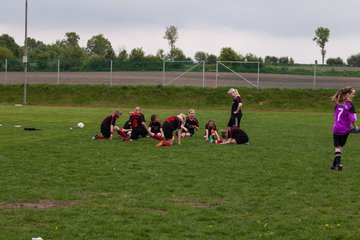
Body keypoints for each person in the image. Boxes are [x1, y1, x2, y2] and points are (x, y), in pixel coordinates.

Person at [330, 86, 358, 170]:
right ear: (347, 94)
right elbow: (352, 118)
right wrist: (355, 126)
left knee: (337, 147)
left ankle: (334, 165)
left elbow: (336, 115)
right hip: (345, 129)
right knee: (340, 147)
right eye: (353, 94)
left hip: (336, 128)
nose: (354, 96)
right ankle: (339, 164)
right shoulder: (350, 106)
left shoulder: (338, 104)